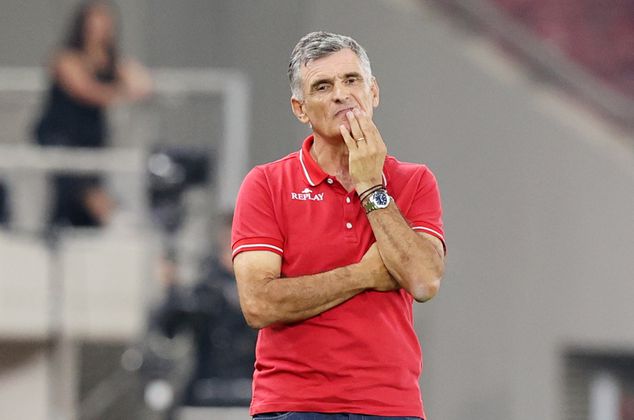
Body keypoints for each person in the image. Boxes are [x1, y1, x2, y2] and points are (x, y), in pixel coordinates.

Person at [232, 31, 446, 420]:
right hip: (294, 405)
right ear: (300, 109)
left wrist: (372, 188)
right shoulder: (266, 184)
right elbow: (258, 303)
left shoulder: (415, 181)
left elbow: (424, 281)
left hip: (391, 406)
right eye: (323, 86)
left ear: (373, 92)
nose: (341, 95)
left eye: (351, 80)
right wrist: (363, 275)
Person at [32, 0, 151, 228]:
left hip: (90, 137)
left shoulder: (112, 61)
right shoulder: (65, 57)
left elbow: (143, 84)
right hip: (61, 134)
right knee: (75, 187)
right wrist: (121, 92)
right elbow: (86, 91)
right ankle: (113, 215)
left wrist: (125, 81)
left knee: (84, 198)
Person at [153, 213, 257, 408]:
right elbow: (168, 327)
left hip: (252, 388)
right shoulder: (205, 288)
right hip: (207, 387)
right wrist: (171, 289)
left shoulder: (264, 288)